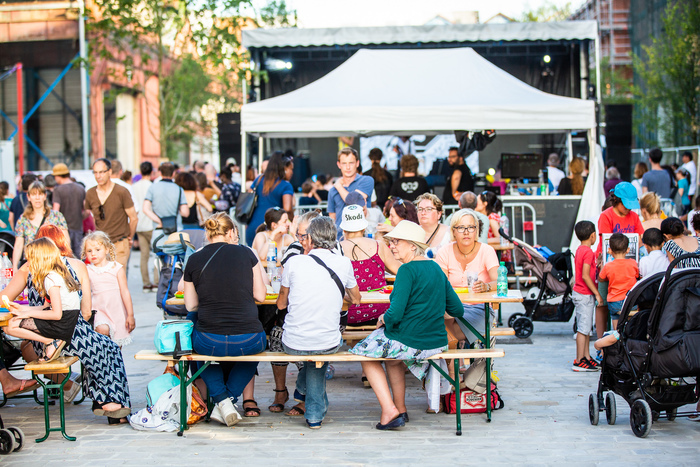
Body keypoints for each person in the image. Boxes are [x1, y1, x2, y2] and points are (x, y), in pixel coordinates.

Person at [5, 225, 132, 420]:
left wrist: (24, 309)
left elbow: (4, 298)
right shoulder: (76, 265)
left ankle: (106, 402)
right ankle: (111, 403)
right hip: (65, 327)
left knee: (101, 348)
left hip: (46, 335)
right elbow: (86, 311)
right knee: (106, 349)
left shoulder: (28, 267)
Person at [351, 220, 463, 429]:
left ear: (413, 245)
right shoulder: (436, 268)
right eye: (391, 242)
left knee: (362, 353)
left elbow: (395, 315)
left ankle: (389, 410)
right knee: (392, 360)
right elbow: (458, 310)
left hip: (411, 340)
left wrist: (384, 317)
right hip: (436, 341)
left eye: (396, 242)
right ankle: (401, 410)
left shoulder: (406, 270)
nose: (391, 246)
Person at [183, 213, 267, 427]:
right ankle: (227, 400)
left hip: (209, 339)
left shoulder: (193, 259)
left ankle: (222, 401)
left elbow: (191, 305)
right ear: (231, 232)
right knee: (256, 350)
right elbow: (261, 296)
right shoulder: (247, 254)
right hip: (249, 339)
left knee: (199, 350)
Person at [277, 216, 360, 429]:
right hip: (328, 341)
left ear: (311, 238)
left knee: (312, 350)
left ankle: (307, 399)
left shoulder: (294, 262)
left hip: (293, 342)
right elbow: (356, 299)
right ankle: (314, 410)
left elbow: (280, 304)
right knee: (318, 352)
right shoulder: (343, 263)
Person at [4, 237, 81, 363]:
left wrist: (26, 313)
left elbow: (56, 314)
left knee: (10, 325)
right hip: (65, 320)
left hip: (62, 323)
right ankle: (51, 342)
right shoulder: (53, 274)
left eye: (30, 260)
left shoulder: (51, 279)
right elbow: (45, 307)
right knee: (10, 324)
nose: (28, 264)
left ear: (40, 259)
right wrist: (22, 308)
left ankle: (51, 342)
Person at [435, 209, 499, 345]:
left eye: (471, 227)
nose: (466, 232)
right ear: (453, 231)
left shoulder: (487, 251)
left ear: (476, 230)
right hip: (451, 307)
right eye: (461, 228)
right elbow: (440, 285)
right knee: (440, 321)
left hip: (480, 308)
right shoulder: (444, 251)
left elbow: (500, 282)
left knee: (441, 333)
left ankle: (451, 363)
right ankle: (453, 363)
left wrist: (486, 286)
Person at [595, 182, 643, 339]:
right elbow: (604, 243)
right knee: (602, 303)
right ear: (617, 201)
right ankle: (603, 342)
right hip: (607, 265)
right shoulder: (606, 216)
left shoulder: (634, 216)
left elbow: (640, 238)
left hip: (628, 267)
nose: (629, 209)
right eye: (626, 205)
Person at [339, 205, 401, 326]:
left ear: (344, 229)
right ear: (364, 227)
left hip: (347, 313)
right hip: (379, 313)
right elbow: (400, 271)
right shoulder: (379, 246)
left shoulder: (335, 249)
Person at [82, 231, 135, 346]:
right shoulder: (88, 270)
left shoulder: (116, 268)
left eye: (97, 250)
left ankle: (114, 362)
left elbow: (125, 292)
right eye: (89, 251)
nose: (93, 254)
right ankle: (104, 356)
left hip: (116, 310)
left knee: (117, 344)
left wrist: (130, 315)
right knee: (102, 329)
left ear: (106, 249)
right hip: (99, 309)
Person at [84, 158, 138, 267]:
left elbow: (133, 218)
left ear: (109, 172)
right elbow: (92, 217)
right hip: (100, 245)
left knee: (118, 278)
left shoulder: (121, 191)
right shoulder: (90, 193)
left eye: (101, 172)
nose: (98, 176)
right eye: (95, 172)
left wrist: (130, 237)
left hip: (119, 242)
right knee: (102, 280)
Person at [12, 181, 68, 271]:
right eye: (34, 194)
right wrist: (15, 266)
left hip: (53, 264)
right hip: (31, 264)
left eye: (40, 194)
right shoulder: (23, 219)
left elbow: (65, 241)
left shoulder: (56, 216)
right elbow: (19, 244)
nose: (37, 198)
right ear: (29, 197)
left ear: (45, 196)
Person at [571, 221, 602, 372]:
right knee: (583, 329)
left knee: (586, 327)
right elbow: (585, 275)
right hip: (584, 294)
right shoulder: (588, 252)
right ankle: (579, 360)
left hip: (581, 293)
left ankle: (586, 357)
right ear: (593, 235)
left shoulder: (580, 249)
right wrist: (597, 293)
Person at [246, 152, 295, 246]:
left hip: (253, 225)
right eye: (290, 169)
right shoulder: (286, 185)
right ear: (284, 168)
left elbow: (249, 196)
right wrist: (292, 223)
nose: (292, 172)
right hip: (273, 228)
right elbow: (288, 208)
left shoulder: (259, 179)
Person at [328, 148, 374, 236]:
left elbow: (354, 202)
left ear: (357, 163)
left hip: (361, 235)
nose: (347, 167)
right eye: (344, 163)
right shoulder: (332, 190)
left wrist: (338, 186)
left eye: (351, 163)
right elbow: (332, 219)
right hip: (339, 237)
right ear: (339, 164)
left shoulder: (367, 180)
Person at [599, 233, 639, 331]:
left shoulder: (608, 266)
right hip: (630, 301)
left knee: (617, 327)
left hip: (614, 302)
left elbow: (601, 278)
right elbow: (637, 276)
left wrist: (601, 267)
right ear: (628, 250)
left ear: (610, 251)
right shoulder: (633, 263)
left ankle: (618, 339)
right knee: (630, 325)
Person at [142, 162, 189, 238]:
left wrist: (160, 221)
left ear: (160, 173)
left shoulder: (153, 188)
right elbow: (185, 213)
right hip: (176, 230)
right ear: (173, 173)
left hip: (159, 230)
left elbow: (145, 209)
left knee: (159, 249)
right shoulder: (179, 189)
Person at [51, 163, 86, 256]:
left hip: (62, 230)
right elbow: (87, 210)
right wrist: (79, 218)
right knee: (78, 257)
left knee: (65, 256)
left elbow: (55, 211)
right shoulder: (80, 188)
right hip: (78, 228)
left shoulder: (58, 190)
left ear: (58, 176)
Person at [131, 162, 156, 292]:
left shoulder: (134, 187)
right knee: (157, 254)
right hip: (152, 224)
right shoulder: (153, 186)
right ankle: (156, 282)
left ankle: (146, 283)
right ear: (151, 171)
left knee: (143, 256)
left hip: (139, 225)